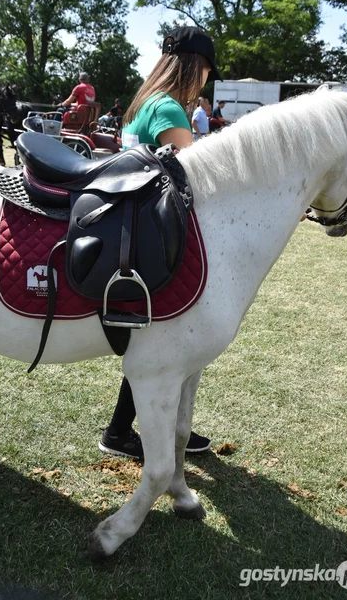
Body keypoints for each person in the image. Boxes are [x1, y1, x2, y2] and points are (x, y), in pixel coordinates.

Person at [100, 25, 222, 459]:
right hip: (158, 233)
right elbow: (197, 176)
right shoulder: (169, 109)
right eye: (207, 69)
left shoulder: (142, 104)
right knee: (166, 336)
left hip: (132, 226)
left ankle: (123, 431)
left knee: (147, 339)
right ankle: (143, 432)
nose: (207, 79)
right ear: (196, 67)